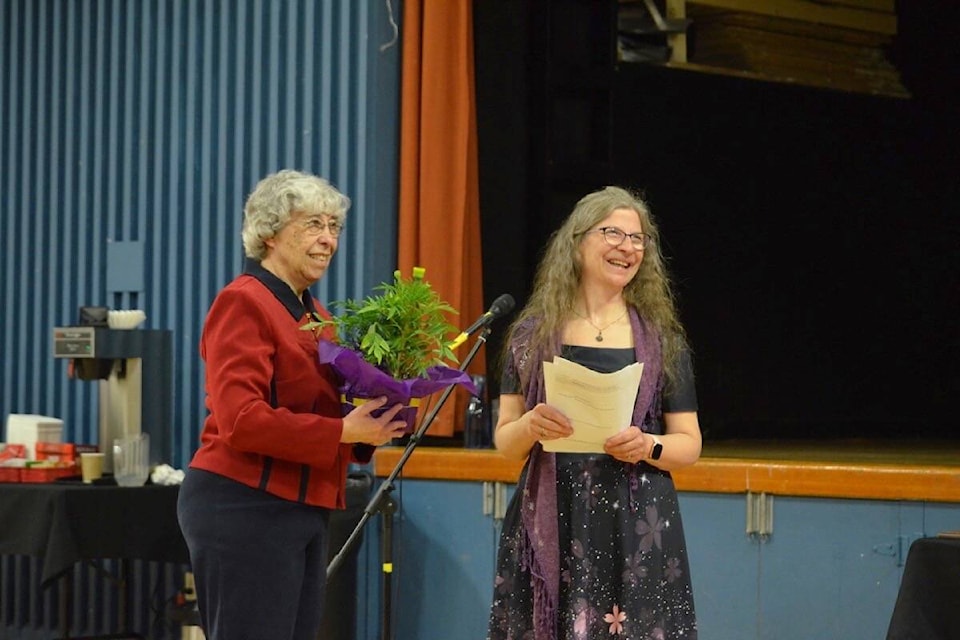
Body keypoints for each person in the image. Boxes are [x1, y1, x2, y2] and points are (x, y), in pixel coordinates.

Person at [177, 169, 408, 640]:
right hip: (243, 506)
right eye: (313, 225)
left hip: (301, 507)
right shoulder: (243, 302)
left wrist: (374, 423)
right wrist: (344, 432)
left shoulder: (315, 314)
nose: (328, 240)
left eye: (334, 227)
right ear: (269, 232)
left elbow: (315, 410)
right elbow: (242, 420)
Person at [487, 186, 702, 639]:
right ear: (577, 241)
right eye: (613, 234)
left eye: (638, 239)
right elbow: (506, 442)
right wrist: (530, 425)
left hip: (636, 519)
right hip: (554, 511)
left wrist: (648, 444)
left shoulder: (662, 340)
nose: (628, 247)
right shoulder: (531, 335)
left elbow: (689, 443)